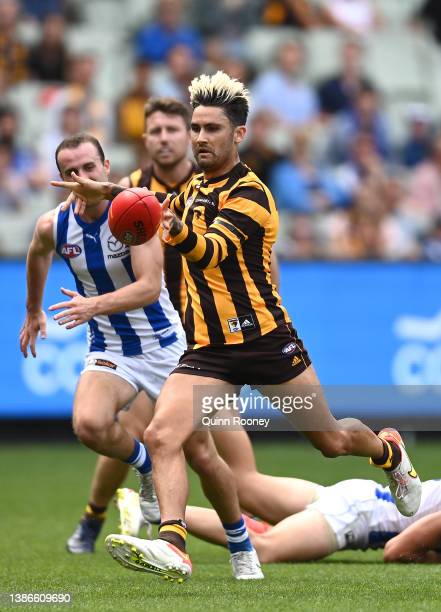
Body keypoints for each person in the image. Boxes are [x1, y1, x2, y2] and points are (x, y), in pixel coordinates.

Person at [51, 71, 421, 584]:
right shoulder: (192, 188)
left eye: (211, 129)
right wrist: (111, 190)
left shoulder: (253, 194)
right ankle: (173, 545)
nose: (200, 138)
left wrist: (165, 220)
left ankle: (389, 451)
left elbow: (210, 252)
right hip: (209, 352)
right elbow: (156, 207)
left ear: (238, 135)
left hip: (267, 347)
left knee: (333, 442)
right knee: (162, 435)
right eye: (196, 128)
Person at [20, 132, 187, 552]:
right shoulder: (55, 224)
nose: (81, 177)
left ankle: (242, 543)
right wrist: (33, 309)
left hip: (167, 345)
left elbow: (150, 287)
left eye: (89, 167)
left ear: (107, 166)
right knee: (93, 425)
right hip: (111, 349)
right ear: (60, 179)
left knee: (205, 451)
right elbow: (38, 252)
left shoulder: (133, 210)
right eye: (69, 172)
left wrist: (92, 305)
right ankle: (152, 505)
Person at [183, 475, 441, 564]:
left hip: (356, 497)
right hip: (355, 514)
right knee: (264, 548)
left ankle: (214, 395)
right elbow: (396, 551)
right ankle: (159, 513)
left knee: (246, 485)